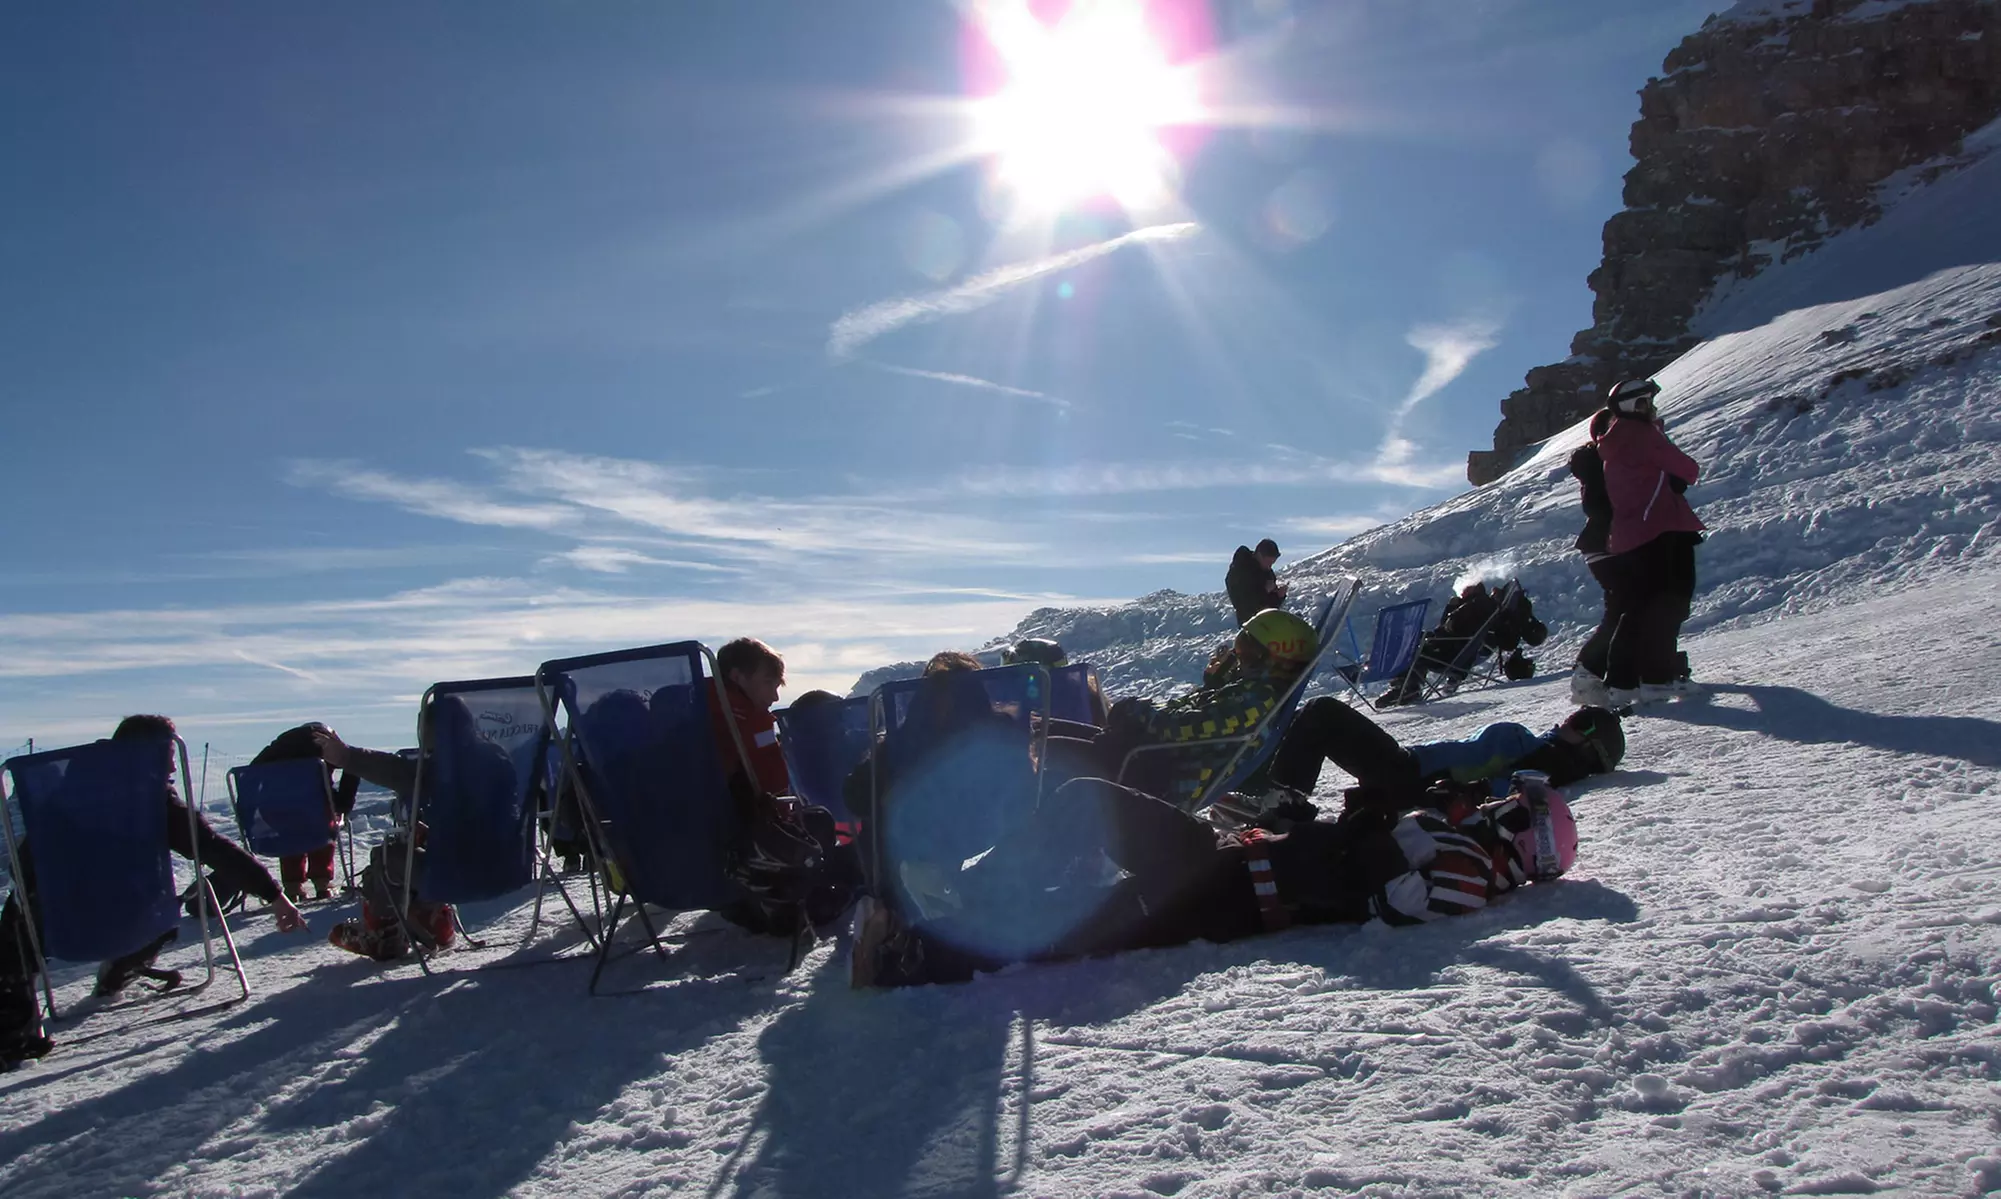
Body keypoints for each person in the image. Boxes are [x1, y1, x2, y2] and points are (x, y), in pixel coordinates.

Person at [851, 768, 1579, 987]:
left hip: (1232, 896)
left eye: (1513, 808)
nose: (1497, 805)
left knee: (1069, 922)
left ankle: (912, 957)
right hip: (1225, 857)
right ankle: (966, 893)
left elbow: (1397, 903)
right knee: (1087, 797)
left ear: (1524, 838)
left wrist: (1371, 840)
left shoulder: (1472, 875)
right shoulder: (1455, 835)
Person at [1, 715, 308, 1068]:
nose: (173, 765)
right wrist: (274, 896)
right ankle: (123, 967)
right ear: (155, 754)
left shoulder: (62, 792)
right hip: (139, 922)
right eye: (169, 755)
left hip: (61, 927)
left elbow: (24, 867)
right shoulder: (153, 798)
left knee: (16, 921)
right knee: (157, 900)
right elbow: (211, 848)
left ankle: (12, 1033)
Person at [1044, 608, 1320, 809]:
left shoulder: (1255, 700)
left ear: (1272, 658)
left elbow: (1180, 729)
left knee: (1040, 750)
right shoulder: (1247, 691)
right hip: (1142, 755)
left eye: (1246, 649)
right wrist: (1212, 686)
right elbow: (1197, 720)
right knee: (1041, 731)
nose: (1237, 656)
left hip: (1156, 773)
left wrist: (1134, 711)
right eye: (1239, 644)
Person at [1248, 699, 1626, 816]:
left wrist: (1450, 794)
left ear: (1591, 749)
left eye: (1582, 723)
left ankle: (1282, 799)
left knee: (1323, 713)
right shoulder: (1546, 750)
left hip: (1412, 776)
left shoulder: (1551, 763)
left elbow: (1506, 789)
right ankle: (1274, 794)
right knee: (1313, 718)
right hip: (1409, 770)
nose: (1568, 719)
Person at [1597, 378, 1706, 705]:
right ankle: (1655, 678)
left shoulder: (1614, 441)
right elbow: (1688, 469)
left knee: (1639, 606)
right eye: (1646, 402)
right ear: (1634, 406)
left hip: (1634, 535)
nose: (1652, 407)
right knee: (1670, 603)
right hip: (1662, 528)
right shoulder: (1642, 434)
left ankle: (1625, 680)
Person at [309, 727, 459, 962]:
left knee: (388, 857)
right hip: (507, 868)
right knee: (415, 850)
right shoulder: (504, 762)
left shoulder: (443, 770)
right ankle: (430, 918)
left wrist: (347, 757)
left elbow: (400, 772)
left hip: (458, 875)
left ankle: (386, 934)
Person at [249, 722, 361, 903]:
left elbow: (250, 777)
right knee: (322, 822)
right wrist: (342, 806)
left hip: (277, 816)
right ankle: (322, 883)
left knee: (291, 827)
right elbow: (353, 766)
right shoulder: (324, 745)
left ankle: (293, 886)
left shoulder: (272, 753)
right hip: (317, 817)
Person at [1569, 410, 1626, 708]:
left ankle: (1622, 672)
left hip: (1611, 542)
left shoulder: (1607, 460)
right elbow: (1598, 505)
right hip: (1605, 543)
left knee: (1630, 606)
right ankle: (1588, 672)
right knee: (1623, 608)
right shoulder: (1598, 461)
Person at [1225, 538, 1288, 625]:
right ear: (1259, 555)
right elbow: (1242, 601)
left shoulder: (1267, 573)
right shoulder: (1241, 569)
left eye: (1272, 563)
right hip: (1250, 624)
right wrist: (1264, 590)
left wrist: (1279, 596)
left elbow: (1269, 605)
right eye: (1268, 562)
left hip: (1266, 623)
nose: (1270, 566)